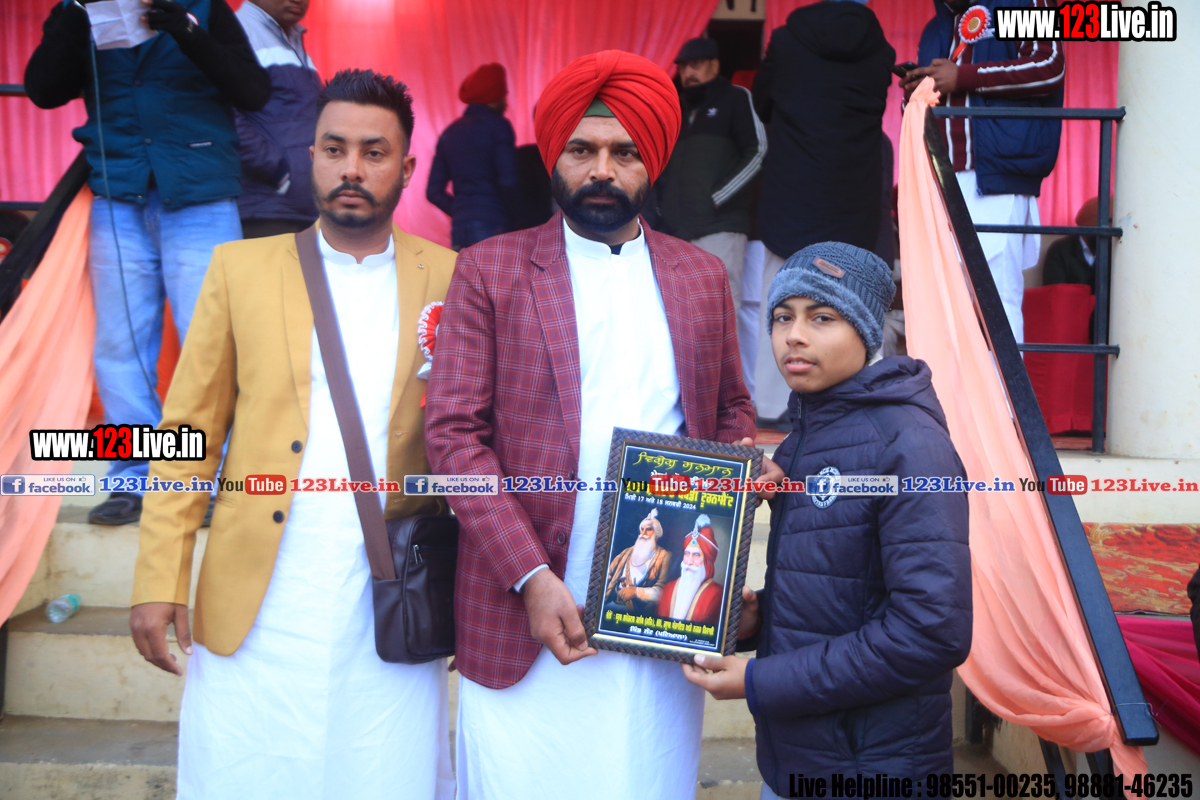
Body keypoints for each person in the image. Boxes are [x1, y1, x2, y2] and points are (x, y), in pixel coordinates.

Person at [425, 50, 778, 800]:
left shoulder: (699, 277)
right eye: (582, 150)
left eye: (625, 153)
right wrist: (530, 576)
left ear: (653, 162)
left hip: (658, 611)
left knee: (640, 777)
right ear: (554, 156)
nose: (602, 171)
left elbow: (730, 411)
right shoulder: (489, 270)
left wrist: (732, 493)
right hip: (520, 609)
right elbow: (454, 438)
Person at [128, 69, 456, 799]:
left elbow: (471, 442)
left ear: (407, 168)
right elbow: (186, 435)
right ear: (311, 156)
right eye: (334, 149)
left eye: (373, 152)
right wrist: (159, 576)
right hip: (262, 594)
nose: (351, 168)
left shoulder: (454, 279)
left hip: (390, 595)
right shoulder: (240, 269)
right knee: (246, 772)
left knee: (382, 775)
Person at [681, 242, 972, 797]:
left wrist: (761, 680)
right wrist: (759, 620)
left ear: (865, 332)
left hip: (872, 766)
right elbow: (843, 592)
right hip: (796, 760)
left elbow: (932, 632)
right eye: (782, 317)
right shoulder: (802, 441)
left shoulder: (911, 446)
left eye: (822, 318)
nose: (794, 335)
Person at [25, 0, 270, 525]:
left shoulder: (205, 6)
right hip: (120, 195)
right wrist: (72, 19)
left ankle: (210, 480)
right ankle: (132, 481)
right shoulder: (82, 10)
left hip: (201, 196)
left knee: (211, 344)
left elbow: (254, 91)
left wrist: (186, 30)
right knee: (121, 349)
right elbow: (43, 90)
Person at [751, 0, 894, 427]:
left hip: (793, 191)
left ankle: (772, 408)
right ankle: (857, 407)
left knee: (781, 304)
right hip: (853, 195)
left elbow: (762, 101)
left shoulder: (786, 41)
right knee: (852, 304)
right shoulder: (879, 50)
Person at [903, 0, 1065, 344]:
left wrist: (962, 77)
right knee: (944, 307)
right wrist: (916, 92)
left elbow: (1049, 66)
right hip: (939, 178)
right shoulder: (934, 28)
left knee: (995, 302)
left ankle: (1002, 385)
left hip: (996, 177)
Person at [658, 36, 767, 381]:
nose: (688, 72)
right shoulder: (673, 107)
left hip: (720, 225)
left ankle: (726, 399)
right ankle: (686, 394)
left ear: (715, 66)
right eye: (682, 67)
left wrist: (718, 197)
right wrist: (661, 208)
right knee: (675, 314)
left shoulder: (736, 98)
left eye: (696, 64)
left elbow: (758, 150)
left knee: (721, 313)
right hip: (676, 229)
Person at [234, 0, 322, 238]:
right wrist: (277, 171)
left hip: (304, 209)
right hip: (266, 210)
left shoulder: (290, 37)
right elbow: (223, 113)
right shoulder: (237, 32)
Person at [426, 63, 519, 250]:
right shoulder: (499, 126)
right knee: (495, 271)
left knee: (466, 271)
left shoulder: (449, 133)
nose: (506, 103)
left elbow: (433, 192)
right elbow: (508, 181)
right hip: (493, 222)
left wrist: (461, 210)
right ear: (493, 96)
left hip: (460, 228)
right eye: (503, 95)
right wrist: (518, 217)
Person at [603, 508, 673, 615]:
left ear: (656, 533)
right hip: (613, 605)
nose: (643, 533)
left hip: (639, 613)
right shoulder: (626, 552)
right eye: (642, 529)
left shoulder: (664, 556)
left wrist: (636, 592)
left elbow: (663, 592)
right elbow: (607, 575)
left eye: (648, 529)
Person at [657, 516, 723, 625]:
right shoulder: (667, 589)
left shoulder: (718, 594)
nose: (689, 561)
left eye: (696, 555)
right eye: (687, 554)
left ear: (706, 561)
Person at [1043, 197, 1101, 291]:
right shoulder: (1060, 250)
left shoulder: (1115, 251)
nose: (1111, 227)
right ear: (1088, 222)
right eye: (1109, 221)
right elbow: (1055, 291)